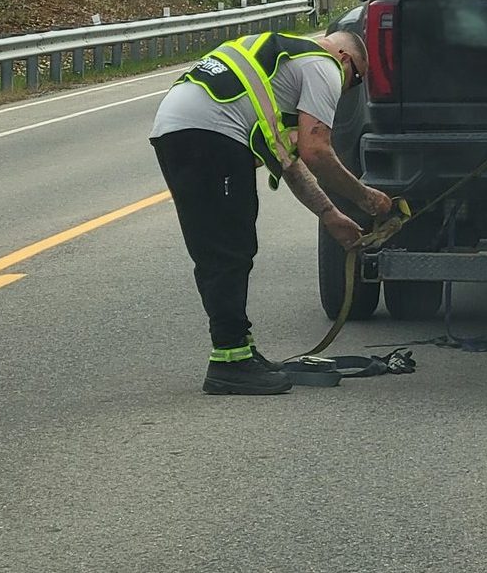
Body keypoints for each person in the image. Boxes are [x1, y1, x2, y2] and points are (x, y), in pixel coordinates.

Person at [149, 28, 394, 395]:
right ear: (345, 59)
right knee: (227, 247)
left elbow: (292, 163)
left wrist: (330, 216)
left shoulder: (279, 66)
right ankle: (229, 361)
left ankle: (239, 349)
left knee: (223, 243)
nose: (347, 90)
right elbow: (317, 151)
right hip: (211, 133)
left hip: (178, 129)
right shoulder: (323, 65)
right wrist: (365, 199)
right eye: (355, 80)